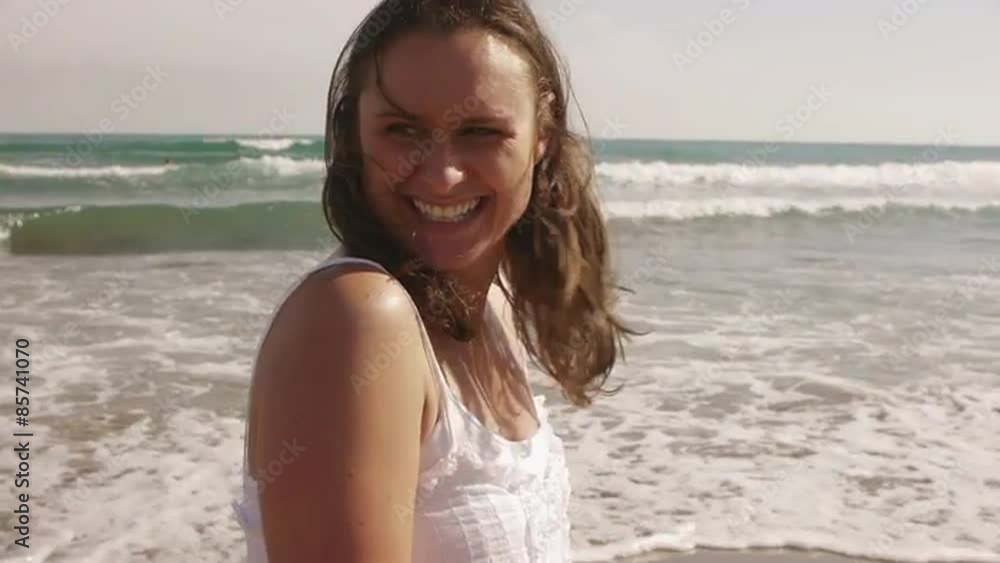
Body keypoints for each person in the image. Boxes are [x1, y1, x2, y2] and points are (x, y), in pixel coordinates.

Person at [234, 1, 637, 561]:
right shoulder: (358, 319)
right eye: (403, 130)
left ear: (541, 138)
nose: (443, 174)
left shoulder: (495, 306)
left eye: (481, 131)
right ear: (353, 134)